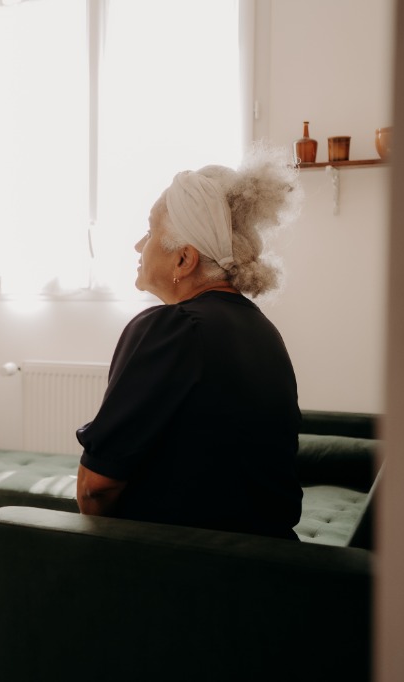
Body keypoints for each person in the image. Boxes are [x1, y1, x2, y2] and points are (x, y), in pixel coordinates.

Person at [76, 150, 304, 540]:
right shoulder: (262, 329)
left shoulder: (172, 328)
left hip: (187, 571)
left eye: (149, 232)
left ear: (184, 260)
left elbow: (96, 488)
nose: (137, 246)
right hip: (270, 564)